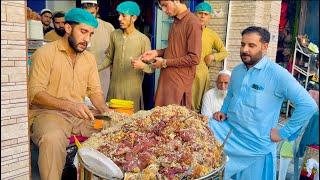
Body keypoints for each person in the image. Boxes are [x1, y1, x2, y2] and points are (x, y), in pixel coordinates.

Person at [210, 26, 318, 180]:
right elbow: (231, 95)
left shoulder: (277, 74)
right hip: (230, 136)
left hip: (255, 146)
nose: (245, 50)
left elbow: (308, 105)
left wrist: (283, 133)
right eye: (242, 44)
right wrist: (224, 111)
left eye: (251, 45)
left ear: (265, 47)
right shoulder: (238, 71)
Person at [28, 8, 109, 180]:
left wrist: (106, 112)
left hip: (78, 115)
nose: (87, 39)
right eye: (83, 31)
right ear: (67, 28)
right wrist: (69, 105)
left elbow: (95, 91)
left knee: (110, 128)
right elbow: (35, 93)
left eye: (91, 34)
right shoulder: (44, 54)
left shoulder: (89, 59)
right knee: (52, 138)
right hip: (48, 114)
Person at [141, 0, 202, 109]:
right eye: (162, 7)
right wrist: (156, 53)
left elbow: (194, 58)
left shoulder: (192, 22)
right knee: (160, 119)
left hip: (178, 86)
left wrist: (164, 62)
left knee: (173, 121)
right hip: (167, 82)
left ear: (177, 1)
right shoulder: (175, 21)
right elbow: (175, 49)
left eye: (165, 5)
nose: (164, 10)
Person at [98, 1, 151, 112]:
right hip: (114, 89)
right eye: (119, 15)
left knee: (130, 123)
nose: (119, 19)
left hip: (132, 92)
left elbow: (151, 68)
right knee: (112, 120)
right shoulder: (114, 35)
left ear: (134, 18)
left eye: (124, 16)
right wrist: (95, 68)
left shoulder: (143, 39)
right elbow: (109, 58)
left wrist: (142, 65)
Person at [192, 1, 229, 112]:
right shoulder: (187, 31)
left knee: (198, 105)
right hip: (184, 71)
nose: (202, 16)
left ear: (210, 17)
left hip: (201, 74)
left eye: (206, 14)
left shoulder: (211, 34)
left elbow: (224, 52)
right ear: (195, 14)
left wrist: (213, 56)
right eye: (200, 13)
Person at [81, 0, 115, 101]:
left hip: (102, 76)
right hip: (82, 75)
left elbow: (113, 54)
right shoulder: (77, 28)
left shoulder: (108, 28)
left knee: (99, 105)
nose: (90, 17)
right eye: (86, 13)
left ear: (97, 9)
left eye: (92, 13)